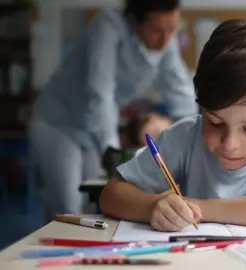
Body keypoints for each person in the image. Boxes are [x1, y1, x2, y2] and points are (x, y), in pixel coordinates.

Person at [99, 19, 246, 231]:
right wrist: (151, 208)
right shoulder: (184, 137)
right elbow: (111, 195)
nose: (230, 144)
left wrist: (199, 208)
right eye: (215, 122)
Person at [29, 0, 197, 217]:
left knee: (100, 197)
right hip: (58, 123)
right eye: (157, 30)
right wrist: (115, 154)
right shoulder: (107, 27)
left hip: (91, 128)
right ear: (136, 21)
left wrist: (192, 138)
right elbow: (101, 94)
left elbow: (180, 91)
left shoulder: (165, 40)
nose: (165, 39)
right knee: (68, 206)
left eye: (172, 29)